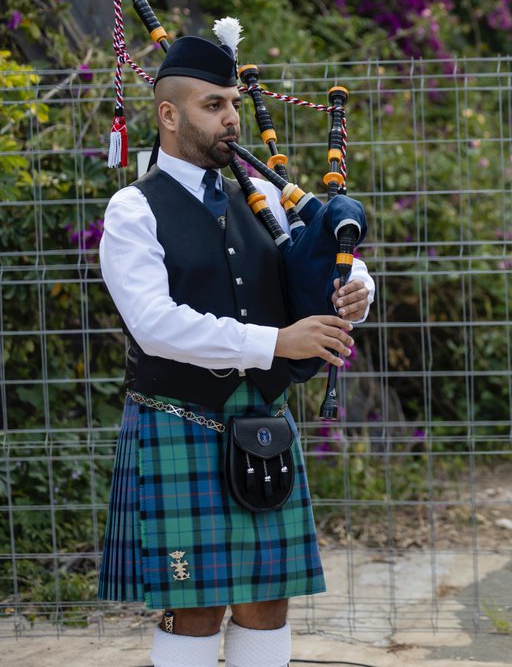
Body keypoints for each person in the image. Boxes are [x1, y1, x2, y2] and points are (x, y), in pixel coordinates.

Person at [96, 34, 374, 667]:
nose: (230, 118)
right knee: (194, 605)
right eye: (212, 104)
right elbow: (155, 324)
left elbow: (334, 263)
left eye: (233, 105)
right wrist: (276, 341)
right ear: (169, 115)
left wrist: (354, 289)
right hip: (178, 420)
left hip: (260, 425)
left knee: (267, 600)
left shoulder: (265, 196)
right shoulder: (133, 209)